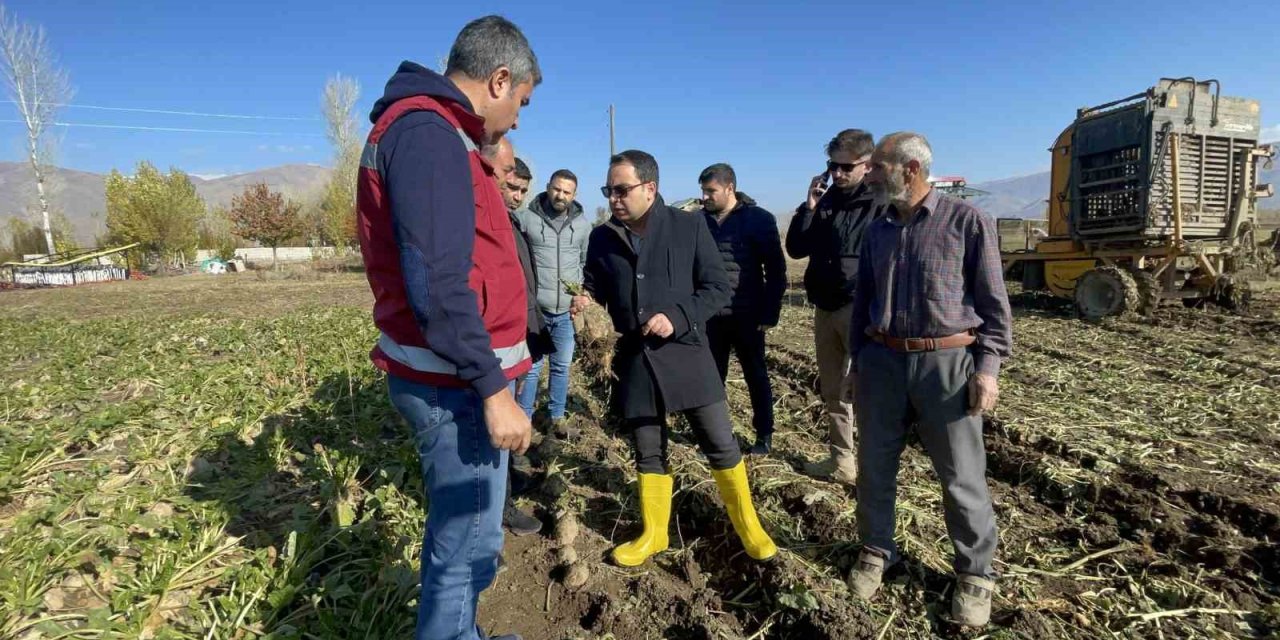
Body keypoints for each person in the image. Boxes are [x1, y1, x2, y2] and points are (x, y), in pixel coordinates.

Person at [354, 16, 540, 640]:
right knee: (462, 553)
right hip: (455, 386)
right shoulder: (428, 133)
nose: (516, 120)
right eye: (521, 103)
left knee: (472, 544)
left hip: (457, 379)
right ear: (500, 80)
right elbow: (438, 280)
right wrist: (493, 391)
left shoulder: (441, 134)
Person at [572, 150, 777, 567]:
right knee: (648, 450)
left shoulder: (689, 226)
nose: (613, 198)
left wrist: (678, 317)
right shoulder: (602, 237)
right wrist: (586, 299)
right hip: (636, 359)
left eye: (622, 189)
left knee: (720, 444)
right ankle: (654, 533)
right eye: (608, 190)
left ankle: (749, 528)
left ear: (650, 188)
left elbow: (718, 288)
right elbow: (595, 282)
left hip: (687, 354)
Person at [842, 132, 1012, 628]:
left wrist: (988, 368)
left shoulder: (967, 221)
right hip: (882, 362)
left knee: (960, 474)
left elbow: (994, 305)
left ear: (909, 170)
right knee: (874, 466)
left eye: (877, 167)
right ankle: (877, 550)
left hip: (947, 364)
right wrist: (856, 363)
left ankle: (975, 575)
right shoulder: (877, 230)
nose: (870, 175)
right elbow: (863, 306)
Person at [784, 129, 885, 485]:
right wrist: (808, 207)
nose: (838, 174)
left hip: (862, 311)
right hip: (825, 308)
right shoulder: (826, 201)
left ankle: (875, 467)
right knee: (833, 390)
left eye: (846, 167)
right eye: (832, 166)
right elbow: (796, 248)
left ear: (867, 164)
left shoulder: (879, 203)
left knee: (869, 391)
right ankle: (842, 463)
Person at [696, 163, 786, 455]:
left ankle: (764, 435)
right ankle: (715, 436)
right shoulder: (699, 222)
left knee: (755, 374)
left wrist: (769, 313)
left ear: (729, 188)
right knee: (711, 379)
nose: (705, 197)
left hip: (747, 314)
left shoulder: (758, 220)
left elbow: (775, 270)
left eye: (711, 191)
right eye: (703, 191)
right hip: (710, 315)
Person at [482, 138, 546, 538]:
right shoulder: (489, 223)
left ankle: (506, 487)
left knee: (513, 421)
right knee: (494, 435)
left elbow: (523, 285)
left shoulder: (513, 223)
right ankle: (499, 509)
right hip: (495, 348)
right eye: (512, 186)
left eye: (523, 189)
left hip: (516, 342)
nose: (517, 195)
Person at [513, 169, 591, 431]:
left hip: (566, 312)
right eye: (556, 189)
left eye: (566, 192)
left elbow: (585, 262)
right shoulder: (526, 219)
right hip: (536, 309)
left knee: (561, 366)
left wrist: (582, 293)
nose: (560, 195)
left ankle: (556, 416)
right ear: (547, 187)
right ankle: (524, 418)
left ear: (574, 195)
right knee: (532, 367)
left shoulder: (582, 225)